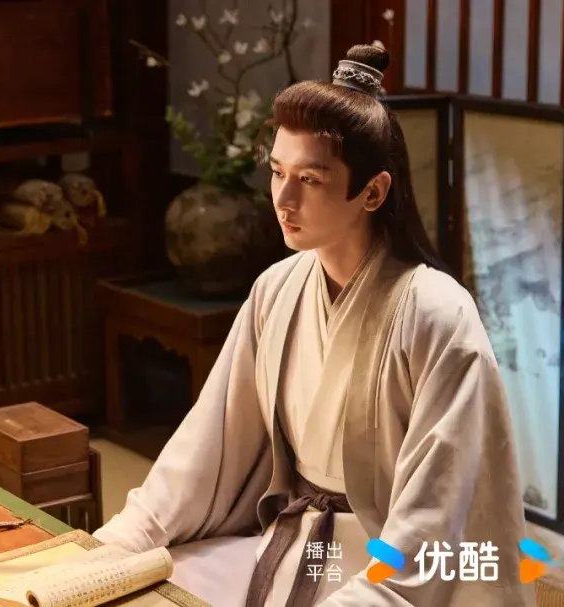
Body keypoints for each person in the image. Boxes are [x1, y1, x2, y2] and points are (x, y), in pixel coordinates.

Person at [93, 43, 536, 606]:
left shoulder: (436, 314)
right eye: (277, 172)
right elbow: (206, 448)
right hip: (296, 539)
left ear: (373, 191)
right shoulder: (276, 289)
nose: (283, 198)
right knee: (155, 585)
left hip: (381, 560)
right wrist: (128, 538)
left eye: (310, 178)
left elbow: (436, 514)